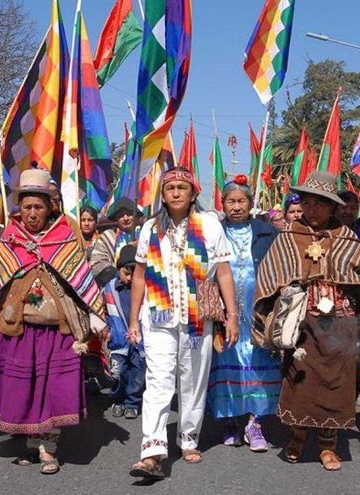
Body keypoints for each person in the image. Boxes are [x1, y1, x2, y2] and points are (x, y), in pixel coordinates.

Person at [0, 167, 105, 475]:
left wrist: (96, 316)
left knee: (52, 388)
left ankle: (48, 446)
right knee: (22, 386)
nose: (32, 213)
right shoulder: (11, 239)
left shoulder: (65, 237)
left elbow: (79, 281)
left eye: (39, 206)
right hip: (18, 328)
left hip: (57, 331)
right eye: (27, 207)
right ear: (19, 208)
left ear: (50, 207)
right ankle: (30, 441)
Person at [254, 171, 360, 471]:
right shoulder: (288, 236)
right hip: (302, 323)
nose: (312, 209)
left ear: (332, 206)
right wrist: (285, 294)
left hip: (340, 323)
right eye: (307, 202)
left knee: (336, 384)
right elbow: (269, 276)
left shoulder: (348, 239)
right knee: (299, 381)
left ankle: (328, 446)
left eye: (320, 203)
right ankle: (297, 436)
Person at [128, 167, 238, 480]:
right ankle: (152, 450)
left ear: (192, 193)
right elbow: (139, 276)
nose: (176, 192)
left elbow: (224, 273)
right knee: (159, 381)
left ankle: (188, 437)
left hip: (197, 317)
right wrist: (134, 319)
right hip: (159, 317)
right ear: (162, 195)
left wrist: (231, 317)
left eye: (181, 187)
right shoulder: (150, 228)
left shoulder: (210, 225)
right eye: (170, 188)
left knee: (193, 380)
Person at [208, 175, 280, 452]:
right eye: (230, 201)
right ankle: (232, 423)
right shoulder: (214, 232)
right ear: (222, 204)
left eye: (241, 201)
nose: (236, 206)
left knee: (256, 363)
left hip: (258, 310)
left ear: (251, 203)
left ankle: (255, 423)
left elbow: (278, 268)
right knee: (229, 361)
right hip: (225, 312)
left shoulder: (266, 232)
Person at [105, 245, 145, 419]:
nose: (129, 278)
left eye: (133, 274)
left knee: (137, 373)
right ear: (118, 269)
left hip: (139, 339)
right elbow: (104, 311)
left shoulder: (145, 289)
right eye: (125, 273)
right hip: (118, 339)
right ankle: (118, 399)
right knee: (118, 373)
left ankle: (132, 402)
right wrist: (107, 330)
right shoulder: (109, 289)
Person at [89, 197, 138, 287]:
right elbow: (96, 264)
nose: (126, 218)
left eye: (129, 214)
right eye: (121, 215)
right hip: (115, 288)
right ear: (116, 218)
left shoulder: (145, 235)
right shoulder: (108, 236)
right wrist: (118, 275)